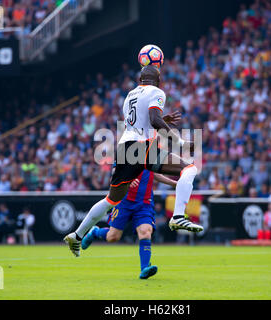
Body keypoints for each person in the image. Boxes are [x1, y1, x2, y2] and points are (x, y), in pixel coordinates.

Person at [64, 65, 203, 257]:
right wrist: (179, 141)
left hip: (125, 150)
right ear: (158, 80)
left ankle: (77, 235)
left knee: (111, 199)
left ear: (140, 81)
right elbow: (154, 120)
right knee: (189, 168)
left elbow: (143, 122)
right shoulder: (157, 92)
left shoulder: (129, 96)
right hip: (141, 147)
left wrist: (163, 120)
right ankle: (178, 216)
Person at [81, 169, 176, 279]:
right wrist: (127, 180)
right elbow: (115, 173)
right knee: (113, 237)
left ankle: (144, 268)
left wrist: (173, 183)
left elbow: (154, 173)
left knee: (145, 232)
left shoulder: (152, 155)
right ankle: (95, 232)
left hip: (144, 203)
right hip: (124, 201)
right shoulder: (126, 153)